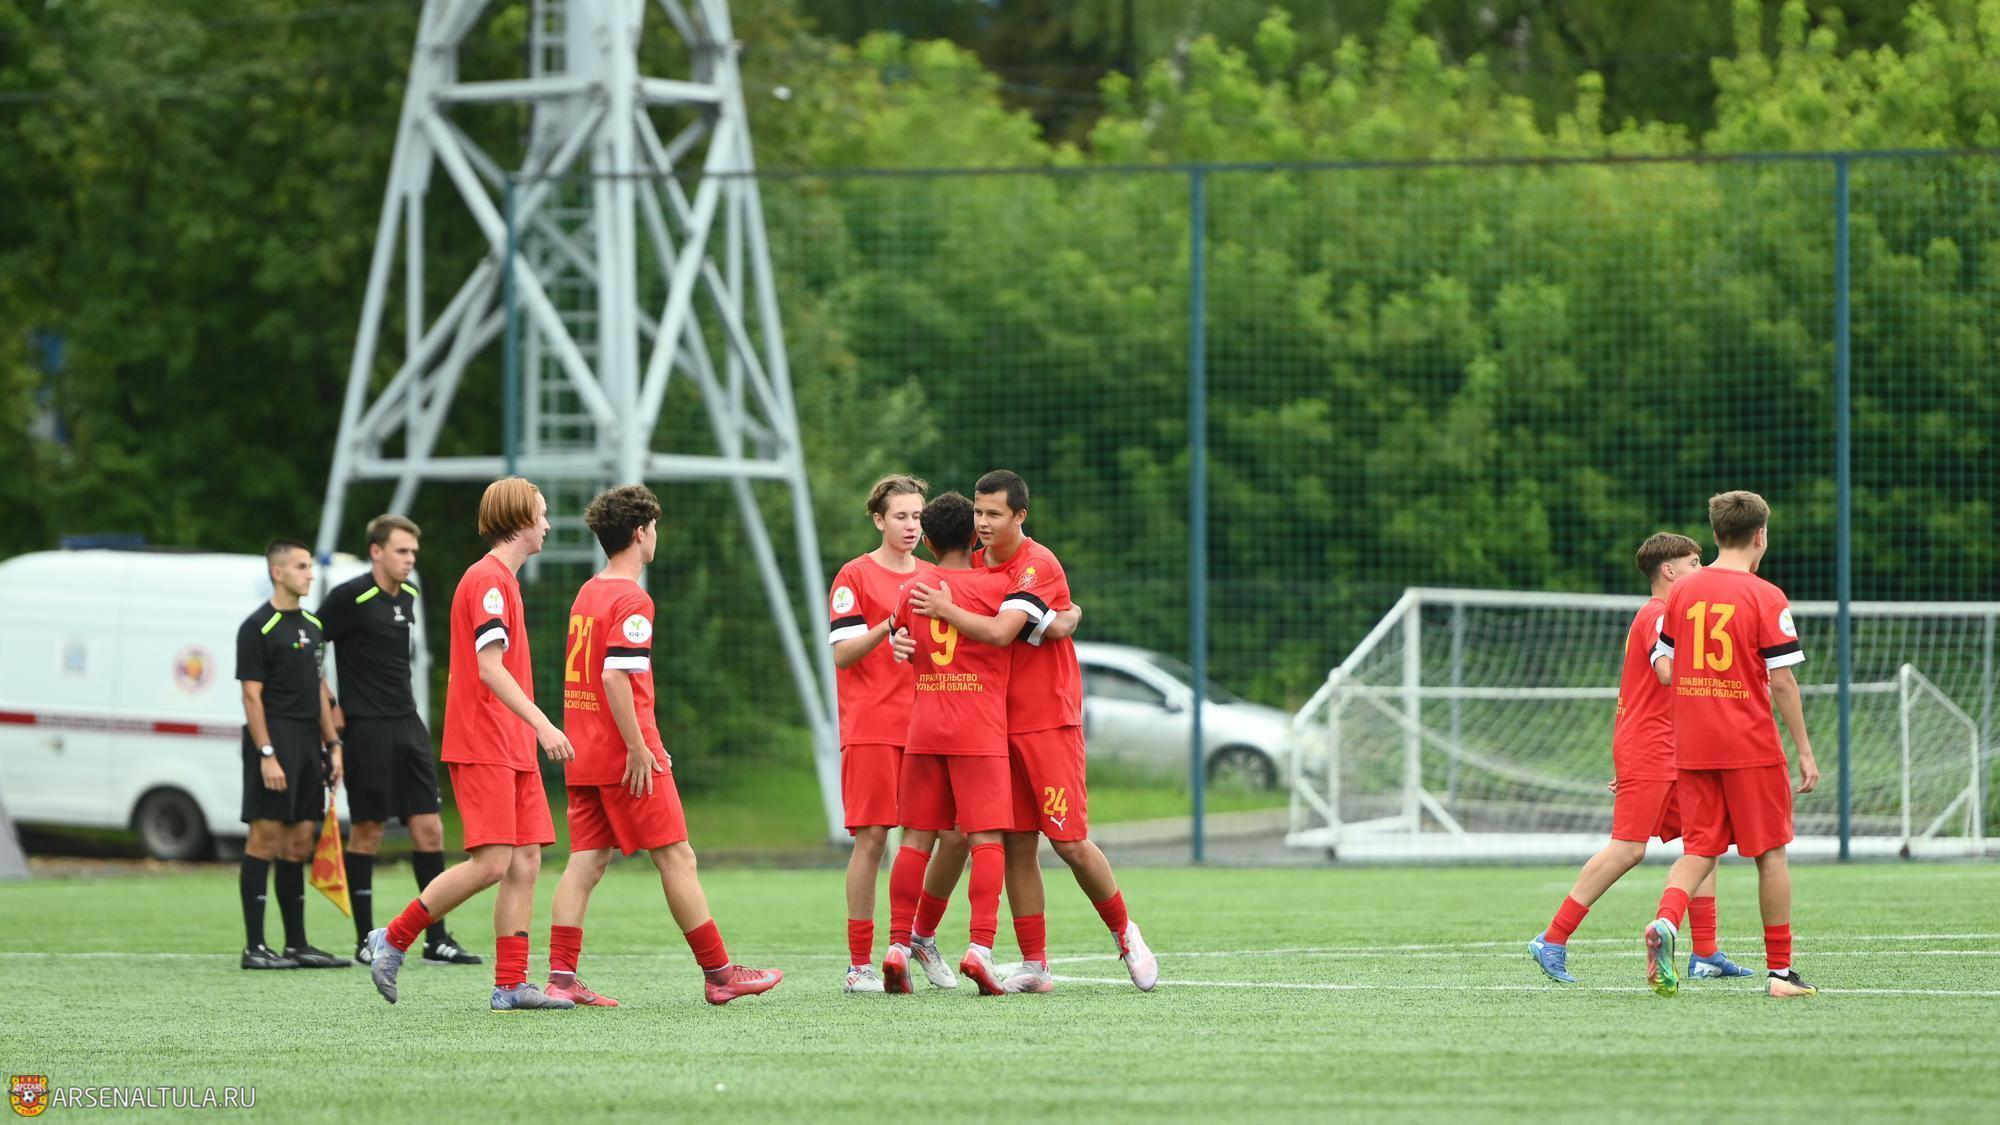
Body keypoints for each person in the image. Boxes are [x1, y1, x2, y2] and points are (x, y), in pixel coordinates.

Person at [541, 484, 783, 1007]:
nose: (656, 536)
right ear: (640, 533)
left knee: (585, 862)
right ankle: (720, 974)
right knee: (677, 857)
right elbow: (614, 677)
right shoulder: (633, 598)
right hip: (626, 756)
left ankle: (560, 982)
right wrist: (637, 746)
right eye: (654, 527)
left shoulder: (589, 591)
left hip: (584, 751)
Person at [923, 469, 1155, 993]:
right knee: (1018, 843)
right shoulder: (973, 563)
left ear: (1020, 515)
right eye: (978, 512)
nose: (983, 523)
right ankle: (1035, 962)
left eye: (994, 513)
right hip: (993, 722)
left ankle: (1126, 933)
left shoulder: (1038, 564)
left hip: (1047, 719)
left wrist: (1060, 619)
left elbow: (1001, 631)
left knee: (1069, 841)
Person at [364, 477, 576, 1011]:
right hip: (486, 739)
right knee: (491, 863)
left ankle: (510, 984)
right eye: (542, 514)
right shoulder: (487, 580)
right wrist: (543, 724)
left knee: (525, 861)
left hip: (511, 742)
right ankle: (393, 937)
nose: (548, 525)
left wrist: (529, 731)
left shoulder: (504, 580)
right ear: (520, 520)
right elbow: (489, 668)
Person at [1529, 533, 1753, 983]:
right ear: (1669, 570)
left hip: (1673, 749)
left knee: (1705, 844)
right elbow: (1666, 673)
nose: (1701, 570)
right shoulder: (1658, 614)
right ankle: (1552, 939)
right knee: (1629, 848)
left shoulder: (1671, 614)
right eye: (1694, 563)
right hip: (1651, 748)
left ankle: (1706, 953)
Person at [1644, 491, 1819, 999]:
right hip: (1749, 745)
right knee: (1771, 853)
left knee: (1700, 848)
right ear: (1760, 535)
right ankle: (1781, 974)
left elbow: (1666, 665)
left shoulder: (1681, 592)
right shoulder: (1766, 596)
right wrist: (1805, 749)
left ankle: (1665, 922)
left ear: (1717, 534)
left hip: (1694, 744)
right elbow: (1781, 681)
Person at [883, 491, 1040, 995]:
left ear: (927, 542)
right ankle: (980, 948)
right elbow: (1016, 628)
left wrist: (901, 641)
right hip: (978, 727)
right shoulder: (997, 585)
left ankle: (897, 944)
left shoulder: (914, 587)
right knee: (987, 840)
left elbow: (901, 636)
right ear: (974, 536)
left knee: (915, 840)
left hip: (925, 726)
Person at [827, 474, 969, 993]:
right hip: (873, 726)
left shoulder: (937, 575)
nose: (911, 525)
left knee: (956, 836)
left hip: (930, 726)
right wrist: (889, 627)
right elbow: (843, 653)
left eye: (917, 516)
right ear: (878, 520)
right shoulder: (855, 575)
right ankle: (859, 965)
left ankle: (920, 937)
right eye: (901, 516)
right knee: (872, 839)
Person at [319, 514, 480, 967]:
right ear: (376, 552)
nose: (410, 559)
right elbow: (307, 644)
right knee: (368, 830)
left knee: (430, 828)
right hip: (367, 729)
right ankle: (365, 940)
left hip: (408, 725)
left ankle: (437, 939)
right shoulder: (349, 597)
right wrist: (329, 702)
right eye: (401, 551)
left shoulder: (408, 596)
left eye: (413, 552)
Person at [234, 539, 348, 970]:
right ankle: (255, 947)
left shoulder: (314, 626)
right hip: (274, 738)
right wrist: (266, 753)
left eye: (309, 566)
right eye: (301, 566)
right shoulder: (256, 627)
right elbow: (251, 696)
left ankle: (297, 944)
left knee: (300, 840)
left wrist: (333, 746)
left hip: (307, 742)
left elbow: (318, 688)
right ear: (277, 572)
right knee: (265, 837)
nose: (309, 574)